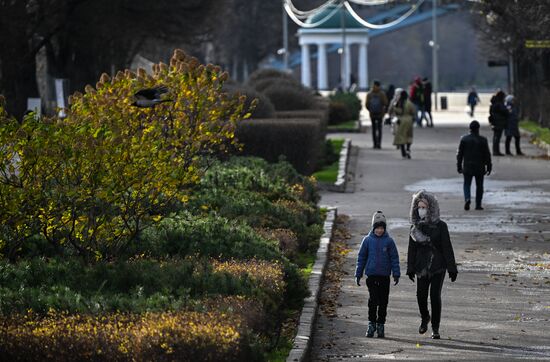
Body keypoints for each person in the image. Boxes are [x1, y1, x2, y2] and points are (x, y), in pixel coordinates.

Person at [406, 190, 458, 340]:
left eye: (424, 207)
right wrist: (410, 268)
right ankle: (425, 317)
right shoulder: (414, 228)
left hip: (438, 266)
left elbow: (447, 247)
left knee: (435, 296)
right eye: (419, 207)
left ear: (431, 208)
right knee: (421, 296)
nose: (421, 210)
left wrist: (452, 268)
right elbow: (411, 249)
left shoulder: (441, 226)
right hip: (421, 267)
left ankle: (435, 328)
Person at [355, 211, 400, 338]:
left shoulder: (389, 242)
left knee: (384, 302)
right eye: (377, 228)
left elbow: (394, 258)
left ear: (384, 228)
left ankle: (381, 324)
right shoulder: (367, 240)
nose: (379, 230)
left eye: (382, 228)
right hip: (372, 276)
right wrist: (358, 274)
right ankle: (371, 324)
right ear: (373, 228)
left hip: (385, 277)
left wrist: (396, 273)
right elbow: (361, 258)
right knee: (373, 300)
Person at [457, 120, 492, 210]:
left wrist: (459, 166)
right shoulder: (483, 140)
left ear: (470, 129)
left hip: (467, 166)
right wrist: (489, 166)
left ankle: (467, 198)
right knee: (479, 186)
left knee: (467, 184)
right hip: (479, 167)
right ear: (478, 129)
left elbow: (460, 154)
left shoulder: (464, 139)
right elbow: (487, 154)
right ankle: (478, 204)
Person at [389, 90, 415, 159]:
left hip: (401, 120)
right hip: (409, 120)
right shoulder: (409, 103)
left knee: (401, 137)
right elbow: (413, 112)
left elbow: (398, 111)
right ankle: (408, 149)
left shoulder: (399, 103)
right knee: (409, 136)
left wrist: (394, 109)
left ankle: (403, 152)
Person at [365, 80, 389, 149]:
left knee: (373, 129)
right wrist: (383, 110)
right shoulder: (382, 94)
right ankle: (379, 144)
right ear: (379, 86)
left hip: (372, 114)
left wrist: (370, 110)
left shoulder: (369, 94)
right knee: (379, 129)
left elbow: (366, 104)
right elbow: (385, 103)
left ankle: (375, 144)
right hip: (380, 114)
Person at [488, 90, 508, 156]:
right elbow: (504, 111)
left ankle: (495, 151)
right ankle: (496, 151)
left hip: (494, 121)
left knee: (496, 137)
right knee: (497, 137)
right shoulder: (499, 103)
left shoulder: (493, 103)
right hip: (499, 121)